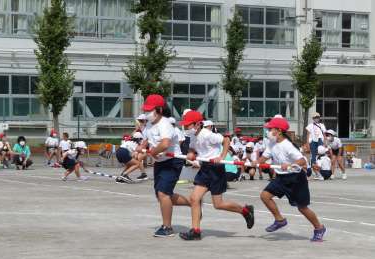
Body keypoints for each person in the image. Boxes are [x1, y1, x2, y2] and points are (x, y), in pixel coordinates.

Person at [177, 111, 254, 240]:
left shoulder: (207, 134)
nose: (185, 128)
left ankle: (245, 211)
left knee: (218, 204)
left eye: (187, 125)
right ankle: (196, 231)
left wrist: (221, 156)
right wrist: (191, 153)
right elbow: (192, 149)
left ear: (197, 124)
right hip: (205, 168)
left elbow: (226, 140)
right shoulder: (193, 137)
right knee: (194, 198)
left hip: (215, 169)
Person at [254, 117, 326, 242]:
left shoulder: (287, 146)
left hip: (296, 179)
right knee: (265, 196)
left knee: (302, 208)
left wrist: (290, 165)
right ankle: (279, 220)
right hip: (281, 177)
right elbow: (264, 157)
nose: (268, 131)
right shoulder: (272, 143)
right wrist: (254, 163)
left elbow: (302, 160)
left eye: (270, 129)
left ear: (279, 131)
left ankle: (319, 228)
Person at [139, 94, 191, 237]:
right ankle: (193, 203)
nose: (147, 113)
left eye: (150, 110)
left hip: (172, 162)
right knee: (161, 195)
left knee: (163, 193)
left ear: (160, 110)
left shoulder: (165, 124)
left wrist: (152, 152)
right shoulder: (149, 124)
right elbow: (145, 140)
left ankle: (167, 227)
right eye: (146, 110)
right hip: (160, 162)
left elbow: (165, 144)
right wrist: (140, 148)